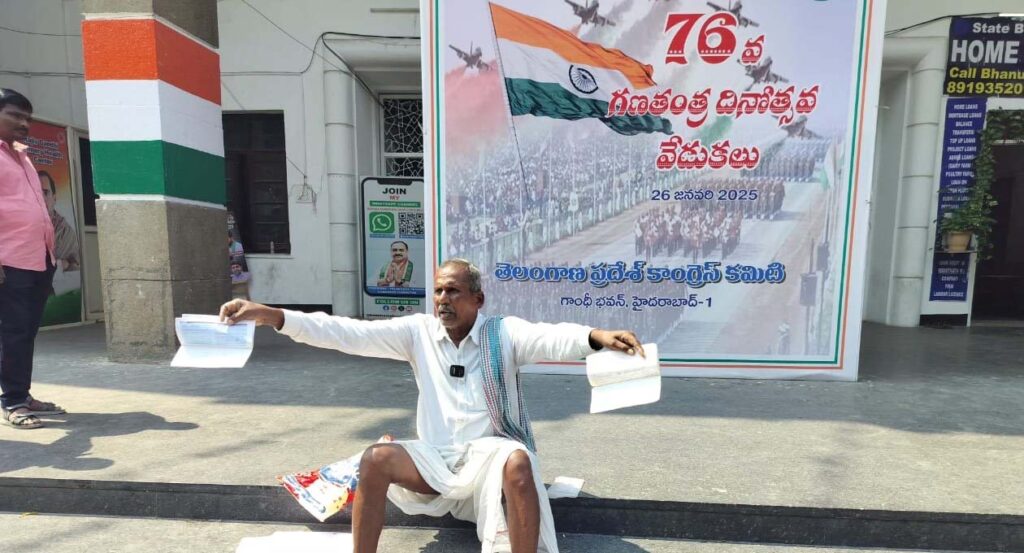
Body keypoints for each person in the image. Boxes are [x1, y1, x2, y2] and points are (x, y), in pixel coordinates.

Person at [220, 258, 645, 553]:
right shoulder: (417, 333)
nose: (443, 299)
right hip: (436, 459)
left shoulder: (504, 334)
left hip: (488, 456)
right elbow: (346, 332)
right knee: (375, 458)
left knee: (518, 462)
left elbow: (551, 336)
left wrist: (597, 336)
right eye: (438, 291)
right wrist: (274, 315)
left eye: (454, 291)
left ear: (478, 300)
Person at [0, 89, 64, 429]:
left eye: (28, 118)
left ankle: (21, 394)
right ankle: (11, 401)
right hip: (9, 260)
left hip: (39, 257)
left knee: (25, 332)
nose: (24, 124)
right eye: (15, 116)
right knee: (12, 332)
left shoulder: (21, 155)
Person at [39, 170, 80, 271]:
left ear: (54, 198)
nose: (41, 198)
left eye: (45, 192)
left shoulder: (66, 233)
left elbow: (76, 266)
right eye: (36, 192)